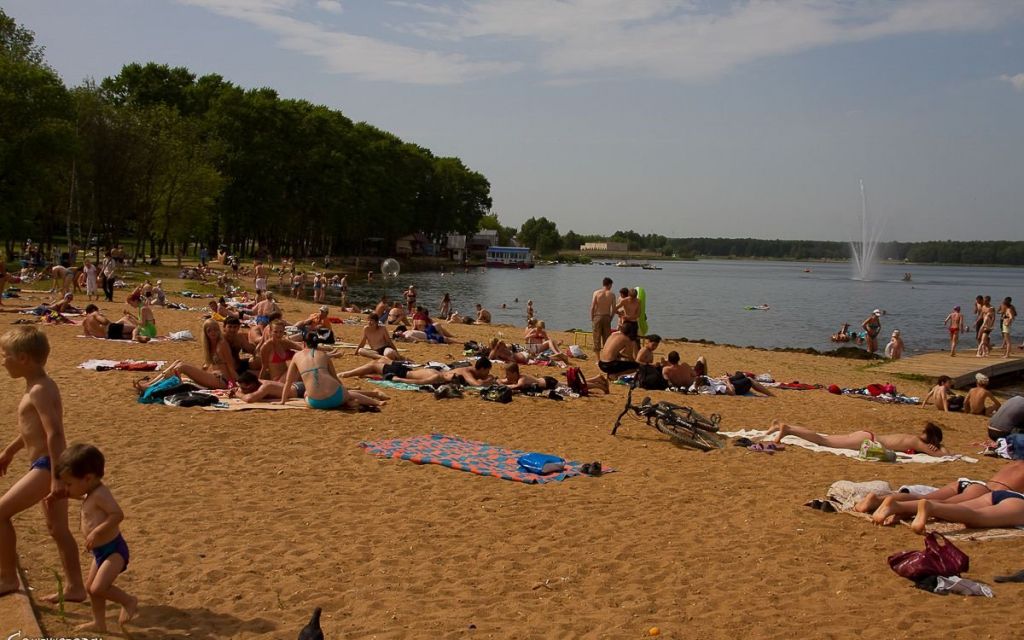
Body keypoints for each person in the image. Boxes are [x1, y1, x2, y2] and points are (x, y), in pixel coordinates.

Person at [0, 326, 87, 601]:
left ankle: (7, 577)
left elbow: (55, 433)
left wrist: (56, 478)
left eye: (6, 355)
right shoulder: (39, 386)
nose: (3, 361)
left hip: (47, 466)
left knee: (0, 514)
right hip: (49, 465)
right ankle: (75, 588)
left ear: (24, 358)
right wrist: (9, 451)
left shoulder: (38, 390)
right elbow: (30, 430)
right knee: (58, 529)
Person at [55, 444, 137, 631]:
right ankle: (99, 623)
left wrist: (96, 532)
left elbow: (117, 514)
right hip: (100, 551)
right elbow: (82, 497)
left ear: (88, 478)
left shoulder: (101, 494)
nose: (67, 488)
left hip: (114, 550)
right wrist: (61, 495)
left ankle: (129, 600)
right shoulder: (89, 492)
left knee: (98, 588)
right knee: (91, 587)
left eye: (69, 484)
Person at [858, 460, 1024, 524]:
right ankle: (897, 506)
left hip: (969, 483)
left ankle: (877, 500)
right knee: (946, 505)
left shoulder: (1016, 463)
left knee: (922, 497)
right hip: (985, 491)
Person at [281, 333, 384, 410]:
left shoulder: (297, 356)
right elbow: (335, 377)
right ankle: (376, 402)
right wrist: (344, 391)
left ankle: (349, 402)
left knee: (306, 394)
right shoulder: (324, 355)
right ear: (317, 344)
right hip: (336, 398)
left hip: (316, 403)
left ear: (303, 343)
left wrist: (283, 401)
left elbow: (288, 381)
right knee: (348, 393)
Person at [764, 419, 948, 455]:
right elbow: (943, 455)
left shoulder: (913, 438)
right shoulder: (917, 442)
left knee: (823, 438)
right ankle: (787, 429)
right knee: (823, 441)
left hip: (867, 436)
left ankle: (781, 427)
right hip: (868, 440)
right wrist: (941, 448)